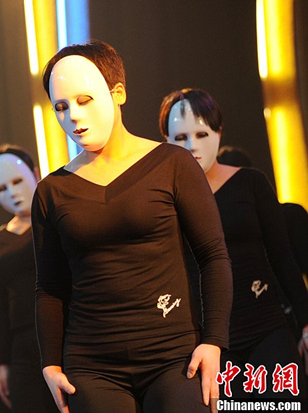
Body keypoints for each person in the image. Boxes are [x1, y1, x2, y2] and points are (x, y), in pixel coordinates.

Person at [32, 40, 232, 413]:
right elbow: (50, 287)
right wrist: (50, 364)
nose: (73, 116)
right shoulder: (51, 191)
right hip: (91, 364)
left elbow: (213, 255)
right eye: (61, 106)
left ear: (118, 93)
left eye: (84, 100)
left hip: (175, 355)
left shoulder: (172, 163)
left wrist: (214, 341)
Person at [160, 88, 308, 400]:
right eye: (181, 137)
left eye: (201, 134)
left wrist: (306, 322)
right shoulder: (165, 200)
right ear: (167, 140)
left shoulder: (250, 182)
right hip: (209, 340)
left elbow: (282, 256)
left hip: (266, 325)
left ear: (218, 131)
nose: (192, 145)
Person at [0, 144, 57, 412]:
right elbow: (0, 306)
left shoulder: (55, 219)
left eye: (17, 181)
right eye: (2, 188)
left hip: (65, 335)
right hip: (23, 347)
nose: (13, 192)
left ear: (35, 173)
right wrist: (3, 363)